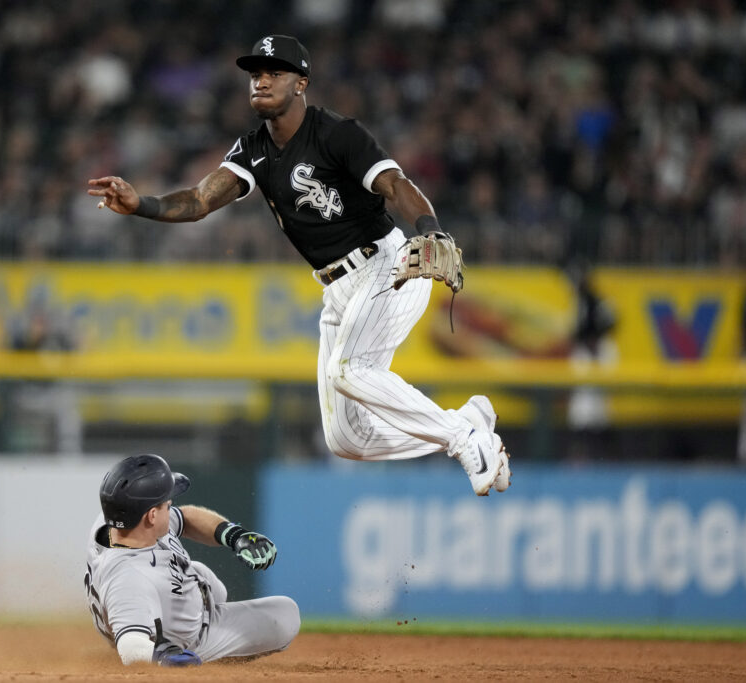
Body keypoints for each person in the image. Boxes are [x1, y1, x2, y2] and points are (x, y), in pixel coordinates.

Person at [88, 35, 510, 496]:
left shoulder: (336, 133)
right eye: (255, 73)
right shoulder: (252, 149)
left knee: (347, 372)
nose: (261, 81)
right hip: (338, 288)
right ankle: (464, 424)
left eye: (274, 72)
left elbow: (395, 184)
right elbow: (198, 200)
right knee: (348, 439)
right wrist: (140, 204)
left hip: (385, 266)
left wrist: (430, 229)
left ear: (301, 83)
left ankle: (463, 437)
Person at [83, 453, 300, 666]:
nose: (172, 507)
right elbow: (131, 647)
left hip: (165, 604)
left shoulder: (123, 522)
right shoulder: (129, 579)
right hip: (189, 638)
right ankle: (212, 655)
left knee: (202, 573)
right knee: (286, 614)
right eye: (167, 505)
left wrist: (234, 536)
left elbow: (186, 517)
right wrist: (164, 656)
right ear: (151, 516)